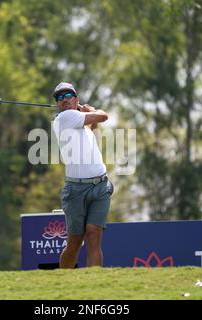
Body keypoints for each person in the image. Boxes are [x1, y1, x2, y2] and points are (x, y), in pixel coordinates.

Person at [52, 82, 114, 268]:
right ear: (57, 104)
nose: (64, 100)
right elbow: (104, 116)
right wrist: (94, 111)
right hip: (76, 189)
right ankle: (64, 283)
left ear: (76, 99)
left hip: (100, 186)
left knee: (94, 234)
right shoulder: (64, 118)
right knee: (75, 242)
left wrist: (91, 118)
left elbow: (94, 139)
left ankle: (93, 287)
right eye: (59, 98)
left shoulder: (82, 125)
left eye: (68, 95)